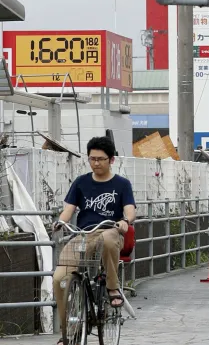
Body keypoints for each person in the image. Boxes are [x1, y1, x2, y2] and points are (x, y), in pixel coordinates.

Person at [52, 136, 136, 344]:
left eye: (100, 159)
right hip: (83, 234)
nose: (96, 163)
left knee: (108, 238)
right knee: (59, 279)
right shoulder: (81, 182)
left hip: (110, 230)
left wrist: (125, 221)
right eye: (92, 159)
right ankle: (67, 332)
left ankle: (112, 286)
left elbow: (130, 210)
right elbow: (68, 210)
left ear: (111, 160)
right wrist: (60, 222)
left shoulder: (122, 184)